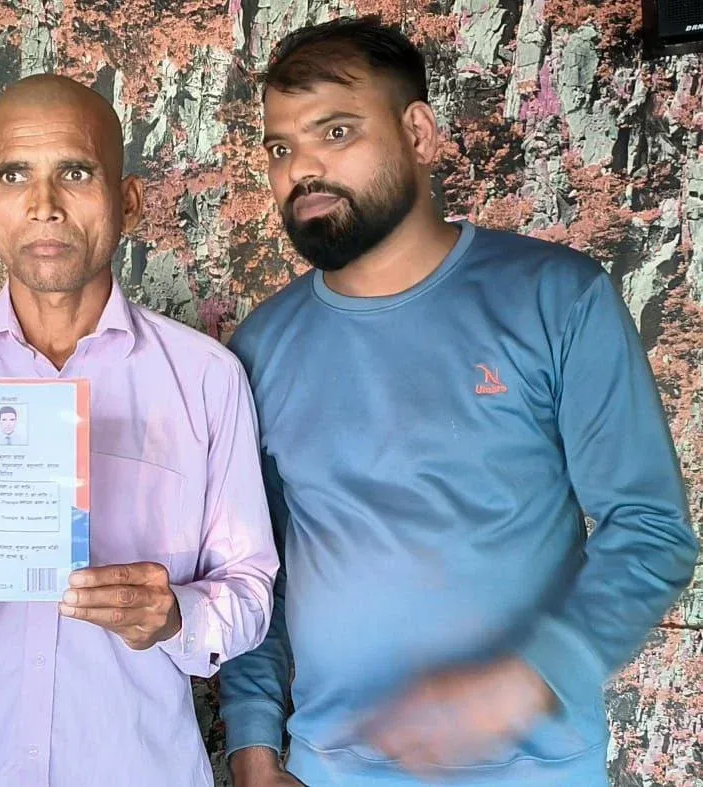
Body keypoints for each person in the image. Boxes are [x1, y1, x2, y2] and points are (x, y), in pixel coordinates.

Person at [218, 16, 698, 787]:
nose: (302, 168)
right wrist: (252, 746)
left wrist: (525, 683)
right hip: (325, 771)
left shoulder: (557, 300)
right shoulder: (259, 348)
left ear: (418, 132)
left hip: (535, 770)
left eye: (335, 131)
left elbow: (650, 530)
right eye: (280, 148)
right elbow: (254, 570)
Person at [0, 74, 279, 787]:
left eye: (76, 172)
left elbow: (251, 590)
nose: (44, 204)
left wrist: (177, 614)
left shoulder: (206, 378)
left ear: (129, 201)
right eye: (13, 174)